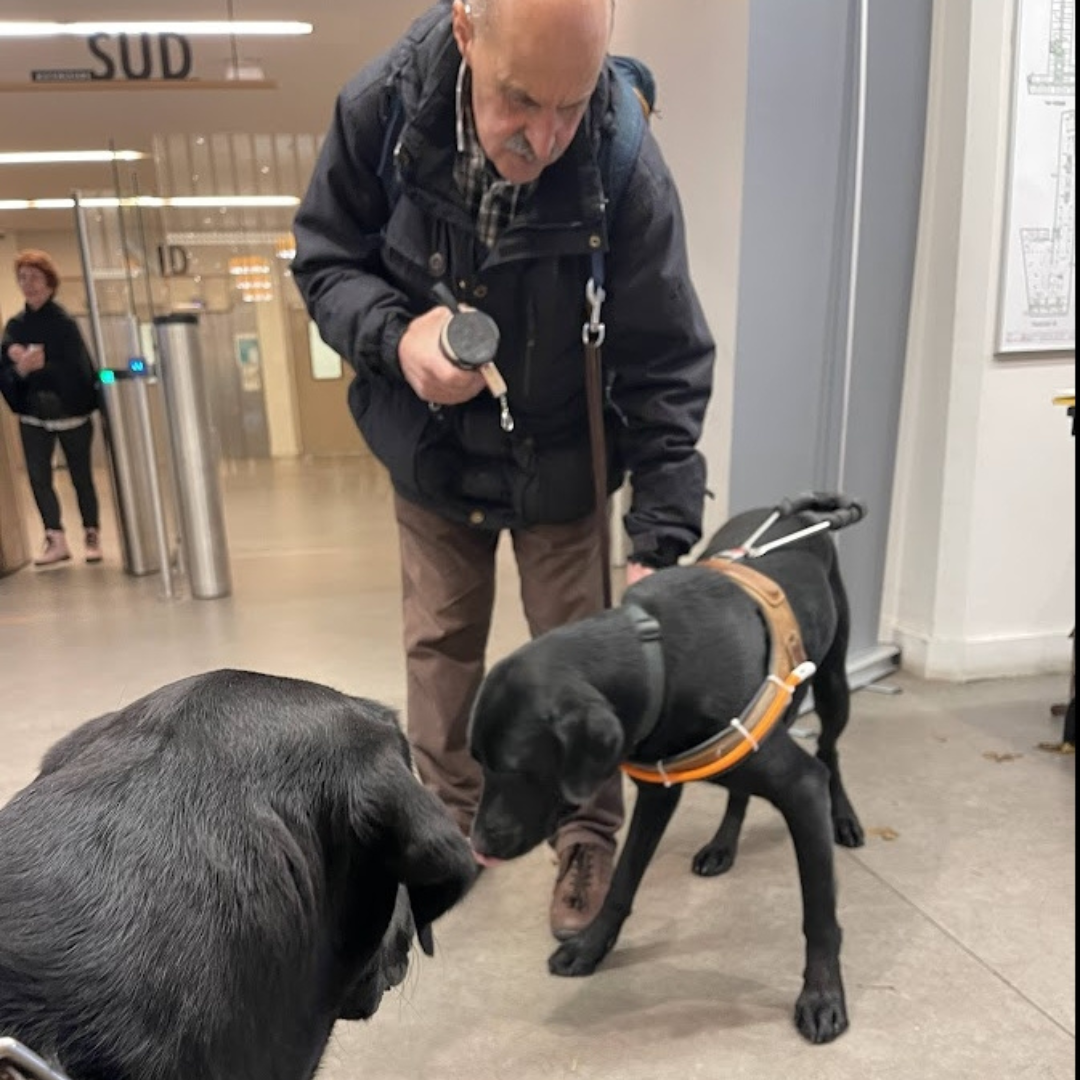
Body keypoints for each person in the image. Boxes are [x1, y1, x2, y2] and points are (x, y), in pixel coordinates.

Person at [292, 0, 715, 940]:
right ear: (466, 33)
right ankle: (443, 829)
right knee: (440, 650)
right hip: (432, 456)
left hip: (565, 465)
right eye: (522, 100)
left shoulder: (625, 161)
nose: (547, 136)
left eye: (571, 105)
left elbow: (667, 360)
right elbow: (323, 260)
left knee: (584, 660)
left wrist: (662, 538)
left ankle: (587, 833)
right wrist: (396, 338)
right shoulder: (380, 114)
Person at [0, 250, 102, 566]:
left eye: (34, 277)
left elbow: (79, 369)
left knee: (80, 475)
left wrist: (44, 365)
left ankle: (91, 533)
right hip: (33, 414)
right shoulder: (14, 327)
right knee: (38, 476)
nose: (27, 284)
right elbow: (5, 369)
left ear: (48, 282)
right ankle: (54, 537)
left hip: (71, 413)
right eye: (22, 278)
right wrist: (19, 369)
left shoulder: (64, 324)